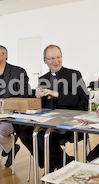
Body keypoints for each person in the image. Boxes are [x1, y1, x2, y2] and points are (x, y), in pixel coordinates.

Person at [19, 44, 88, 172]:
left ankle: (64, 165)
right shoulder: (43, 79)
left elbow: (82, 98)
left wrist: (57, 94)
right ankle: (50, 162)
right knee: (24, 134)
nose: (56, 61)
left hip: (68, 120)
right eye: (51, 58)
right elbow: (39, 105)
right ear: (45, 61)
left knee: (41, 136)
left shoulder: (74, 74)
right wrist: (38, 97)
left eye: (58, 57)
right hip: (46, 119)